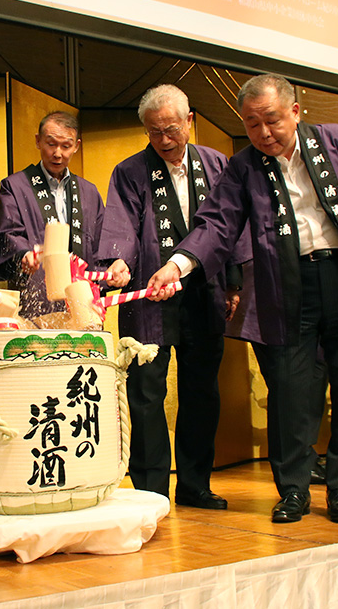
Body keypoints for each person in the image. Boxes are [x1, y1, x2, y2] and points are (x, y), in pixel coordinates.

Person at [148, 73, 338, 523]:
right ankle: (293, 490)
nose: (264, 133)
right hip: (285, 285)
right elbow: (216, 223)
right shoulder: (244, 166)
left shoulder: (336, 141)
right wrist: (178, 264)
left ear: (294, 111)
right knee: (288, 391)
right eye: (252, 125)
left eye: (271, 121)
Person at [97, 84, 241, 509]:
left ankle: (195, 485)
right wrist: (117, 262)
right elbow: (121, 223)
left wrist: (233, 281)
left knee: (202, 391)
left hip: (204, 291)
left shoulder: (217, 165)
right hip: (148, 294)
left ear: (190, 121)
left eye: (171, 129)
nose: (163, 140)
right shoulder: (129, 171)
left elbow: (231, 228)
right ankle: (150, 491)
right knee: (145, 394)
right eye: (154, 132)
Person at [0, 111, 113, 318]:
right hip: (35, 294)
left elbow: (102, 244)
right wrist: (23, 254)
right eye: (51, 144)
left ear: (77, 146)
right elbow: (7, 233)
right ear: (38, 141)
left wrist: (109, 272)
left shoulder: (89, 192)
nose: (58, 153)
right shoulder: (15, 187)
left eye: (66, 146)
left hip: (83, 299)